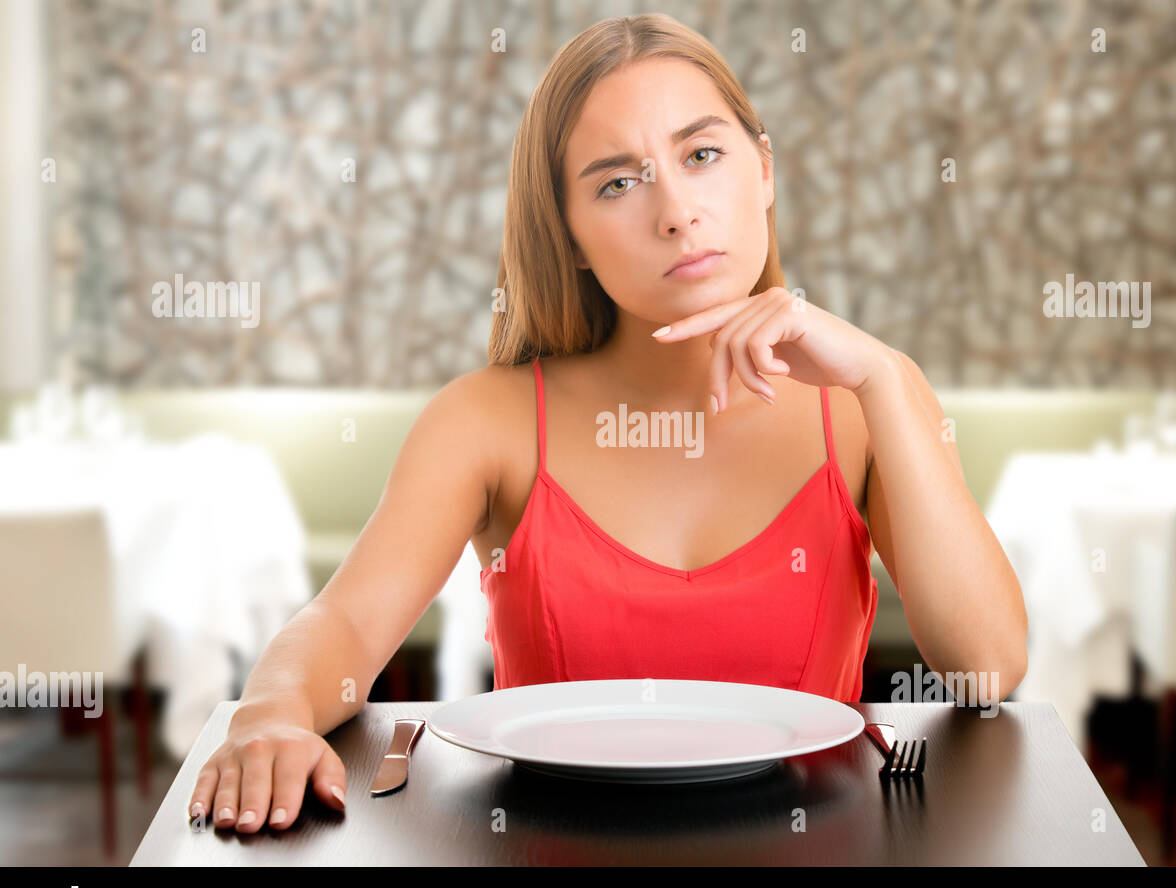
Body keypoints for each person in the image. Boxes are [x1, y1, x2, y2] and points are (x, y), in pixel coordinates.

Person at [189, 13, 1027, 834]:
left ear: (763, 170)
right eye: (617, 183)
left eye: (702, 155)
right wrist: (269, 714)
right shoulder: (486, 419)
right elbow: (342, 625)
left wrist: (881, 378)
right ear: (574, 237)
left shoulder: (869, 399)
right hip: (550, 848)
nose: (676, 212)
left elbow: (987, 668)